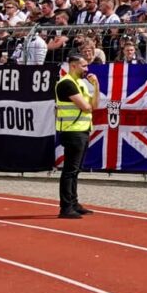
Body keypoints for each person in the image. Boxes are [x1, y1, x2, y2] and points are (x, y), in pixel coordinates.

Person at [55, 53, 99, 219]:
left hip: (83, 129)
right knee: (70, 170)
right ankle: (65, 207)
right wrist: (89, 105)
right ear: (73, 66)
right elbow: (86, 107)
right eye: (83, 66)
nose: (86, 69)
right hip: (72, 130)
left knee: (76, 170)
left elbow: (94, 105)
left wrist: (96, 85)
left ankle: (73, 202)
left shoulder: (81, 83)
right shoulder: (67, 83)